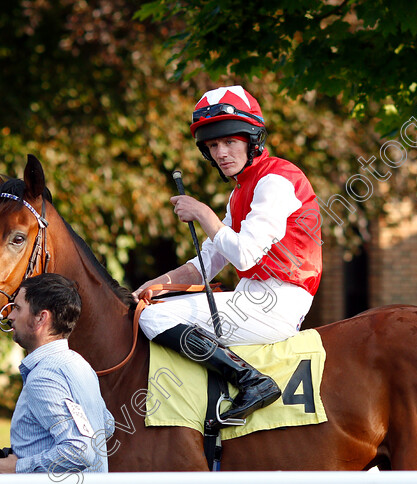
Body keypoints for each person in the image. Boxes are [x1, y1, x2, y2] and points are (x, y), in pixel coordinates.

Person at [133, 85, 323, 424]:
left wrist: (204, 214)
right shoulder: (239, 195)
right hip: (253, 299)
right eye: (213, 145)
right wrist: (152, 286)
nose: (221, 153)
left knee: (154, 319)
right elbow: (205, 265)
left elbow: (245, 256)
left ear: (252, 141)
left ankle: (251, 380)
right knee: (152, 307)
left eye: (229, 142)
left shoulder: (276, 180)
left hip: (276, 303)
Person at [0, 273, 114, 474]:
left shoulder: (43, 377)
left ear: (40, 318)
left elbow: (80, 451)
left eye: (18, 308)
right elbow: (106, 424)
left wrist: (19, 467)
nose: (10, 316)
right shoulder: (80, 364)